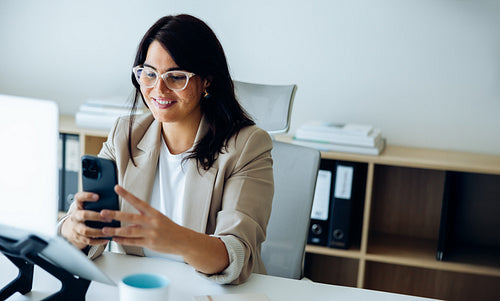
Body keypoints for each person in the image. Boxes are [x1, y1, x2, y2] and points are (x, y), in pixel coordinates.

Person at [59, 14, 274, 284]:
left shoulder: (247, 146)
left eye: (176, 77)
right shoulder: (124, 135)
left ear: (206, 81)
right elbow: (85, 231)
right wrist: (75, 231)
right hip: (138, 288)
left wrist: (176, 238)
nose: (158, 89)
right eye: (149, 74)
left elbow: (238, 254)